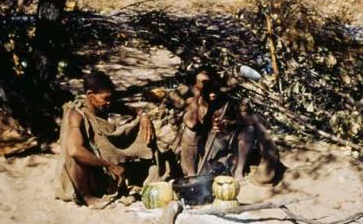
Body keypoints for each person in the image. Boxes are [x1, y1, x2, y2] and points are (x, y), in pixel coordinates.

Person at [53, 70, 165, 208]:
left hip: (99, 168)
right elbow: (74, 151)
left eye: (111, 98)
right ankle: (89, 198)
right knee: (76, 157)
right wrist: (110, 165)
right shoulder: (77, 115)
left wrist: (143, 115)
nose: (109, 103)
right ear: (89, 95)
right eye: (105, 98)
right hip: (82, 174)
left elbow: (127, 109)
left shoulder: (102, 106)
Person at [180, 68, 284, 185]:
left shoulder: (226, 99)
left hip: (226, 146)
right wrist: (198, 96)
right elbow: (191, 123)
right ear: (196, 86)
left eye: (211, 83)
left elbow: (255, 119)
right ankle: (191, 175)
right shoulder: (194, 101)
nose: (210, 89)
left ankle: (239, 171)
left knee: (248, 129)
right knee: (189, 132)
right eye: (204, 85)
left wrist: (230, 123)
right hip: (206, 151)